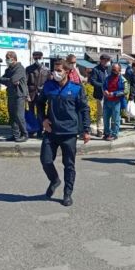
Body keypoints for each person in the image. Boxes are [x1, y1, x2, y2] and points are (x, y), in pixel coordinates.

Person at [37, 61, 91, 207]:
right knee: (46, 160)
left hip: (69, 132)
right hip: (51, 131)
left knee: (69, 165)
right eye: (54, 70)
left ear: (67, 72)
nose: (56, 73)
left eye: (59, 70)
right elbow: (40, 103)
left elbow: (84, 109)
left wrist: (86, 130)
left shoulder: (76, 88)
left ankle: (67, 193)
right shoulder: (49, 86)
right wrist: (43, 120)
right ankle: (54, 180)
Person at [0, 51, 28, 143]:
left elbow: (14, 79)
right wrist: (9, 81)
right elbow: (1, 79)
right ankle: (15, 135)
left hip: (19, 94)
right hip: (11, 94)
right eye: (6, 58)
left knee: (19, 116)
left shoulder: (19, 68)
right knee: (12, 116)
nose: (7, 60)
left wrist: (10, 81)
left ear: (14, 59)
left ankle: (24, 134)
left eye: (8, 58)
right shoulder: (8, 69)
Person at [26, 51, 50, 138]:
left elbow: (49, 83)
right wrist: (26, 94)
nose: (37, 59)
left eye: (39, 58)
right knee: (31, 113)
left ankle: (40, 130)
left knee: (41, 112)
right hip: (31, 93)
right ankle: (32, 130)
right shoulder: (29, 69)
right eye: (35, 58)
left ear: (42, 58)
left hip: (42, 94)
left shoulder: (46, 70)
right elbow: (25, 82)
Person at [102, 63, 128, 141]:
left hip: (117, 102)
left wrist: (114, 94)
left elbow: (126, 91)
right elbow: (103, 86)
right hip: (107, 101)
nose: (113, 71)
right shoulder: (107, 78)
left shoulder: (123, 80)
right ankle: (107, 133)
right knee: (106, 119)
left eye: (115, 70)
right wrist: (105, 91)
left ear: (119, 70)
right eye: (112, 69)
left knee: (116, 119)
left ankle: (114, 134)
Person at [89, 54, 110, 137]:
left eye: (107, 60)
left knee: (108, 113)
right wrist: (102, 85)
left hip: (109, 95)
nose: (106, 62)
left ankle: (107, 129)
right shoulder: (96, 69)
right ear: (101, 60)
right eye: (105, 60)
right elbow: (92, 81)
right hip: (100, 94)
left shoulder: (109, 68)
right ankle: (100, 130)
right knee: (100, 113)